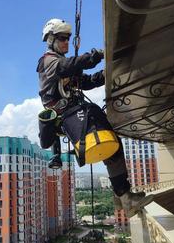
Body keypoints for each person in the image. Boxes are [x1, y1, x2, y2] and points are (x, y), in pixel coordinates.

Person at [36, 18, 146, 215]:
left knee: (112, 144)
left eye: (68, 39)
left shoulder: (64, 64)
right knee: (106, 141)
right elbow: (69, 66)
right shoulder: (48, 61)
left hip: (73, 113)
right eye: (62, 38)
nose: (66, 43)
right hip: (66, 114)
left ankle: (122, 195)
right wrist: (97, 55)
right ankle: (124, 197)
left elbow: (86, 82)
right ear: (51, 39)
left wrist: (108, 72)